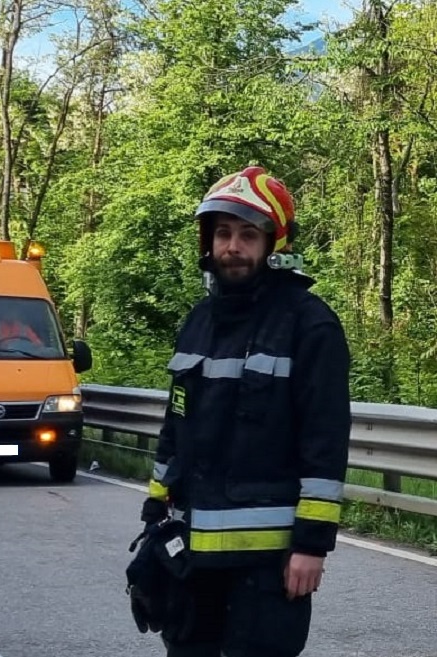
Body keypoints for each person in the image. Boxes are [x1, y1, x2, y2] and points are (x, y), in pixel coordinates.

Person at [129, 166, 352, 657]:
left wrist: (311, 545)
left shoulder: (310, 325)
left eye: (248, 235)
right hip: (191, 555)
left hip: (267, 565)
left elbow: (325, 444)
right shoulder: (198, 321)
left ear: (274, 243)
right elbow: (175, 426)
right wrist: (154, 512)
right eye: (223, 233)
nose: (232, 247)